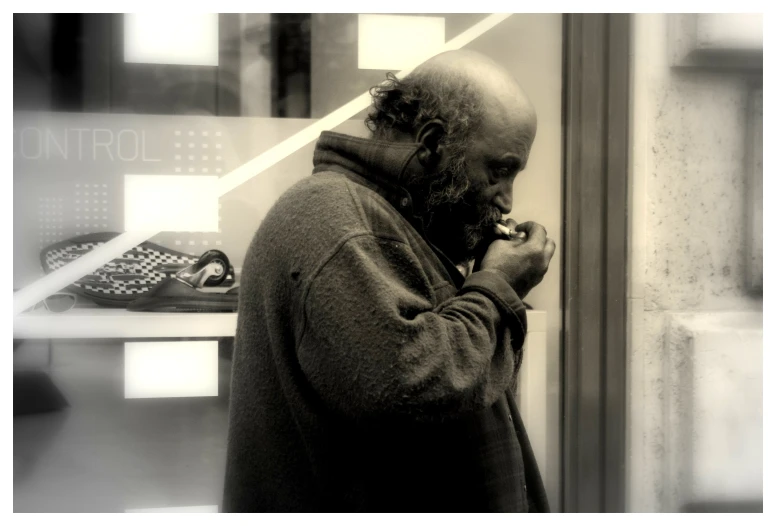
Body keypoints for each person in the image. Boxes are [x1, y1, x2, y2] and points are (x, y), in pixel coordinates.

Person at [223, 49, 556, 512]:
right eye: (499, 171)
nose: (505, 200)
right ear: (433, 142)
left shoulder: (388, 216)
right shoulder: (332, 217)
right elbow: (411, 386)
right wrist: (498, 285)